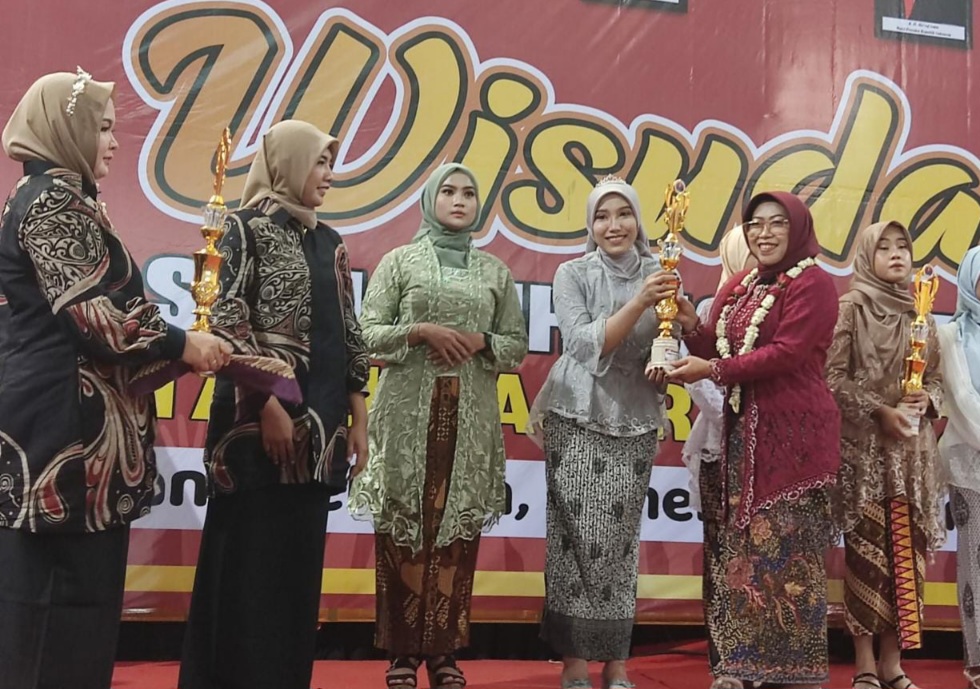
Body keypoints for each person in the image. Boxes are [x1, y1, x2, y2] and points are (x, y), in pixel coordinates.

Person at [0, 70, 229, 689]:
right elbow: (95, 319)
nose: (114, 141)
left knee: (77, 609)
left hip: (77, 435)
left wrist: (184, 351)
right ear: (66, 129)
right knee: (53, 610)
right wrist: (185, 343)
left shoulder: (66, 199)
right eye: (101, 128)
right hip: (61, 439)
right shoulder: (51, 203)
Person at [178, 120, 370, 689]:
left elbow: (350, 335)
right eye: (319, 162)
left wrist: (359, 420)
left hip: (321, 434)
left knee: (294, 578)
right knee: (247, 570)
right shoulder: (243, 228)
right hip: (255, 430)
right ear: (287, 163)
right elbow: (227, 319)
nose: (328, 175)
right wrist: (267, 405)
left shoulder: (330, 242)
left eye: (330, 163)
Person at [349, 163, 528, 689]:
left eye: (468, 192)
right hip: (407, 416)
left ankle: (445, 653)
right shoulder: (399, 262)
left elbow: (516, 346)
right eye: (448, 191)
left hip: (468, 420)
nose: (459, 200)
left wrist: (483, 341)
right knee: (402, 531)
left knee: (456, 535)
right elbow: (365, 334)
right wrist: (419, 331)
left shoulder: (495, 272)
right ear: (431, 200)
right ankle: (401, 654)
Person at [667, 191, 841, 689]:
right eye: (755, 224)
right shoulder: (741, 285)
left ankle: (794, 672)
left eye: (776, 223)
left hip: (795, 440)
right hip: (744, 437)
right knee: (743, 553)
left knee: (788, 554)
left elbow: (788, 352)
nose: (763, 233)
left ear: (797, 228)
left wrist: (714, 370)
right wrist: (690, 324)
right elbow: (718, 344)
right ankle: (742, 667)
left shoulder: (813, 283)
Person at [527, 175, 673, 689]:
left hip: (636, 417)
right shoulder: (573, 273)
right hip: (577, 415)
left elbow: (672, 336)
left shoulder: (662, 272)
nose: (614, 226)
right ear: (590, 225)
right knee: (574, 540)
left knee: (620, 542)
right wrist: (639, 302)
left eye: (624, 214)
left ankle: (616, 662)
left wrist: (677, 335)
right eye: (602, 217)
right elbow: (585, 344)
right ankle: (573, 661)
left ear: (638, 220)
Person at [825, 221, 944, 689]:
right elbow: (832, 379)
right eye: (885, 247)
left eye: (903, 247)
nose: (896, 254)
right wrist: (879, 411)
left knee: (905, 563)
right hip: (865, 456)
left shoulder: (921, 311)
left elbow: (936, 378)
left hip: (912, 458)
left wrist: (927, 400)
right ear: (867, 257)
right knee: (866, 562)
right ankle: (864, 665)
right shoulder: (850, 309)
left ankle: (894, 665)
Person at [680, 228, 754, 689]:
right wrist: (740, 417)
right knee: (723, 555)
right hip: (719, 450)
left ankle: (761, 657)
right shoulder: (711, 310)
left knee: (762, 557)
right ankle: (726, 659)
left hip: (768, 455)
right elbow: (699, 382)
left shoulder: (783, 307)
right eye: (750, 248)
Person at [937, 247, 980, 689]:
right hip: (970, 464)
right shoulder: (950, 336)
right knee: (975, 563)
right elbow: (962, 402)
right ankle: (979, 658)